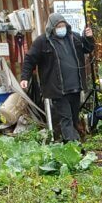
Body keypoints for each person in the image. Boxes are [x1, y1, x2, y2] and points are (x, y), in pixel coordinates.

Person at [20, 13, 94, 143]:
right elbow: (29, 59)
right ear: (52, 28)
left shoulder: (74, 38)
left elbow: (88, 49)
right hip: (58, 90)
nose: (61, 28)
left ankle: (69, 142)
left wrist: (89, 38)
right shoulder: (42, 42)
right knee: (66, 118)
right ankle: (73, 147)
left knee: (74, 118)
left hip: (75, 87)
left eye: (63, 25)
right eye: (58, 26)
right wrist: (25, 77)